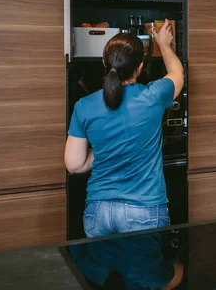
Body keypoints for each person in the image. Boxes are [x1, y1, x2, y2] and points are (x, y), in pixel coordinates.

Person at [64, 19, 184, 237]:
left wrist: (104, 151)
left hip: (97, 212)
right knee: (150, 271)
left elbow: (74, 165)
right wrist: (164, 44)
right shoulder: (154, 96)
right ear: (139, 67)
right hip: (144, 210)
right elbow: (177, 73)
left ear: (104, 63)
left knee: (105, 271)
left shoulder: (84, 105)